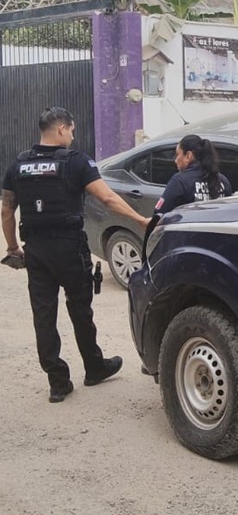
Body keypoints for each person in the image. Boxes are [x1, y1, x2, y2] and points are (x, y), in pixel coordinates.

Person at [1, 107, 151, 403]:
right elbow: (107, 197)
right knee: (80, 308)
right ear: (61, 129)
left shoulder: (19, 164)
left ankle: (58, 382)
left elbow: (7, 209)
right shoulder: (77, 162)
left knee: (43, 315)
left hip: (37, 249)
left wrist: (12, 247)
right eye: (71, 130)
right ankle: (94, 367)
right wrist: (141, 220)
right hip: (69, 247)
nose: (73, 135)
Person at [155, 134, 233, 215]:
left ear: (188, 155)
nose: (175, 160)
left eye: (177, 154)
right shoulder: (223, 181)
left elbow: (158, 218)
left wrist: (141, 219)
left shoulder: (180, 182)